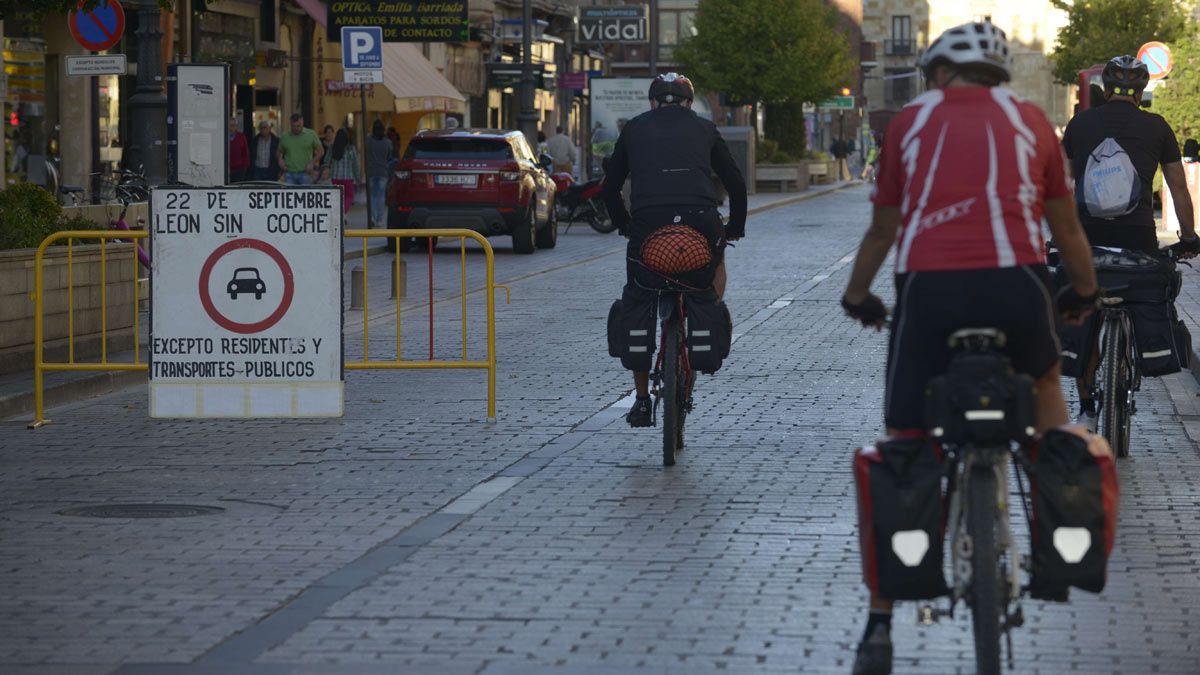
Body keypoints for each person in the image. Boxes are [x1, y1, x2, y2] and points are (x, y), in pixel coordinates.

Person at [839, 22, 1101, 674]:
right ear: (999, 74)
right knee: (1045, 386)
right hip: (1016, 286)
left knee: (904, 436)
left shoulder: (909, 122)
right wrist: (1083, 291)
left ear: (936, 72)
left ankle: (879, 623)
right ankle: (1053, 544)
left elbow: (884, 225)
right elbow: (1063, 223)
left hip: (929, 292)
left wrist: (857, 295)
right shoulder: (1031, 120)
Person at [1060, 55, 1200, 427]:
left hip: (1086, 239)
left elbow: (1059, 185)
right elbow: (1178, 188)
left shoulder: (1080, 123)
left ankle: (1088, 405)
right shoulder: (1157, 127)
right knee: (1145, 293)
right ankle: (1132, 358)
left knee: (1085, 312)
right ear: (1141, 92)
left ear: (1105, 90)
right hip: (1138, 239)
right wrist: (1188, 237)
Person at [601, 72, 748, 428]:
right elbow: (736, 183)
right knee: (713, 265)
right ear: (688, 102)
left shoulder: (634, 128)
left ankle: (639, 399)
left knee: (638, 297)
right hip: (699, 227)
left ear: (653, 101)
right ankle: (707, 306)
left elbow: (610, 188)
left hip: (649, 231)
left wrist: (624, 224)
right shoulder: (705, 128)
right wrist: (735, 228)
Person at [277, 113, 323, 185]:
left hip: (306, 173)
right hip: (289, 173)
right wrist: (280, 160)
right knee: (290, 196)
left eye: (298, 126)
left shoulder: (311, 134)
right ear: (290, 124)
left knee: (306, 196)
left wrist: (312, 163)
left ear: (302, 122)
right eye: (293, 126)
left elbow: (321, 151)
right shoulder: (285, 137)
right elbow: (279, 152)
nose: (296, 128)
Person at [326, 128, 360, 220]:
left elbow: (326, 161)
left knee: (337, 197)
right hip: (348, 178)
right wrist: (358, 178)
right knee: (349, 196)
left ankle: (337, 214)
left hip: (335, 177)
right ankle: (343, 212)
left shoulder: (332, 148)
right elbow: (355, 165)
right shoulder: (351, 148)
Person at [365, 119, 394, 228]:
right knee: (381, 196)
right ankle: (380, 220)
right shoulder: (388, 142)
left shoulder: (368, 141)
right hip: (383, 172)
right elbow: (389, 156)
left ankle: (372, 217)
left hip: (371, 171)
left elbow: (366, 153)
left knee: (372, 196)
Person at [228, 117, 249, 183]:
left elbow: (245, 153)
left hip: (239, 169)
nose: (232, 127)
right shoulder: (222, 136)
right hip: (225, 169)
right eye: (230, 125)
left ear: (236, 126)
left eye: (234, 125)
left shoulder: (241, 136)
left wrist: (244, 167)